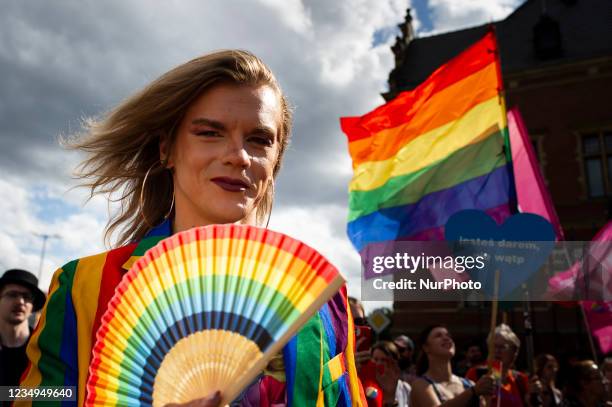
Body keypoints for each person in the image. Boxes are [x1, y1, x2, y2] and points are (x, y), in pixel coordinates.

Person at [19, 50, 365, 406]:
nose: (239, 156)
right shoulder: (80, 288)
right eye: (210, 132)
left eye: (260, 139)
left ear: (276, 159)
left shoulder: (322, 299)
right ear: (166, 149)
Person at [411, 325, 495, 407]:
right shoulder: (421, 385)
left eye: (448, 336)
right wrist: (472, 392)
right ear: (426, 347)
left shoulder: (469, 384)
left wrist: (486, 397)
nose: (446, 338)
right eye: (438, 336)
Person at [0, 269, 46, 388]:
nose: (20, 301)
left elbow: (63, 393)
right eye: (12, 294)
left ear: (33, 305)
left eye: (27, 297)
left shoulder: (43, 350)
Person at [362, 341, 411, 407]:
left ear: (394, 362)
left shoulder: (405, 389)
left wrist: (390, 393)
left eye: (384, 360)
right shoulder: (365, 386)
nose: (379, 363)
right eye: (375, 359)